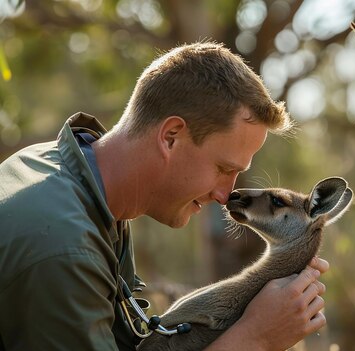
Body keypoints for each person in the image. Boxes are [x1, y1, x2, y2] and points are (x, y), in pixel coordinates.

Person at [0, 41, 329, 351]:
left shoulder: (62, 173)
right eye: (222, 168)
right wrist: (254, 339)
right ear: (171, 137)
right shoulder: (63, 249)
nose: (224, 195)